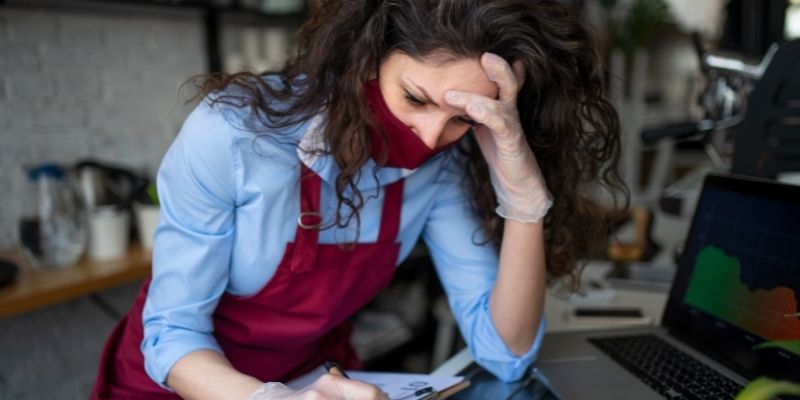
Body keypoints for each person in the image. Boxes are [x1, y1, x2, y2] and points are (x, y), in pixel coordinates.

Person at [91, 0, 625, 399]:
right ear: (366, 60)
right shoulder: (232, 134)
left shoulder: (441, 169)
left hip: (317, 380)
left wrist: (524, 198)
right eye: (414, 98)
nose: (431, 136)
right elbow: (171, 334)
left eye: (464, 118)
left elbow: (506, 355)